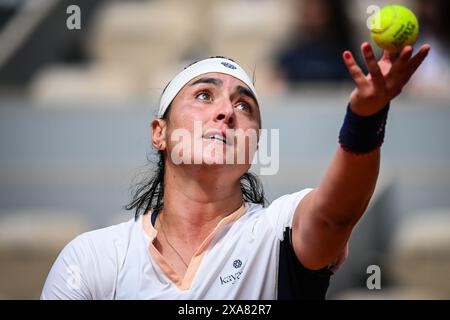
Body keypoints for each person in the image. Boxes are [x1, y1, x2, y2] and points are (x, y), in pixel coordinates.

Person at [41, 41, 430, 299]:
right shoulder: (90, 259)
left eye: (244, 106)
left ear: (254, 147)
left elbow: (335, 215)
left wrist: (366, 116)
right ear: (160, 133)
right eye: (204, 95)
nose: (227, 111)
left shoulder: (278, 231)